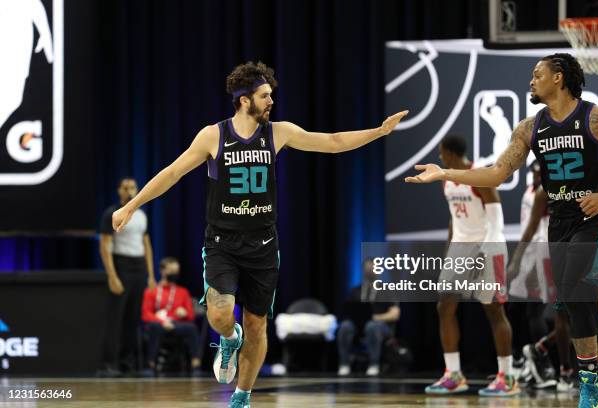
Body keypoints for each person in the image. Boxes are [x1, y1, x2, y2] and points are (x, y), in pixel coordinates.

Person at [111, 61, 407, 407]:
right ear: (243, 100)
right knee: (221, 316)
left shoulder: (278, 133)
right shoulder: (213, 136)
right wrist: (131, 206)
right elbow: (172, 172)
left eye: (271, 95)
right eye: (265, 95)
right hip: (222, 242)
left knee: (257, 326)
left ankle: (242, 395)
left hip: (264, 246)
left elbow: (333, 141)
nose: (271, 101)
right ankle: (227, 337)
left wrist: (379, 132)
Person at [406, 53, 598, 407]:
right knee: (573, 304)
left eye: (538, 75)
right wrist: (445, 174)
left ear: (559, 77)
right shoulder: (529, 128)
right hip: (559, 223)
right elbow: (497, 174)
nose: (531, 81)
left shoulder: (596, 119)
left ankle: (592, 379)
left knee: (576, 287)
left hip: (597, 221)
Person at [423, 134, 517, 397]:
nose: (440, 158)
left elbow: (496, 219)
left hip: (489, 245)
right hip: (461, 247)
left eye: (442, 153)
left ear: (449, 153)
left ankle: (507, 376)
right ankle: (453, 374)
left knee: (493, 310)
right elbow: (455, 221)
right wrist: (447, 253)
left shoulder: (480, 176)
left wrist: (484, 251)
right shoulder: (447, 182)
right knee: (444, 306)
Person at [507, 161, 573, 391]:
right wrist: (519, 261)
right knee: (557, 312)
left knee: (583, 315)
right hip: (546, 252)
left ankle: (539, 350)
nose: (537, 175)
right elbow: (532, 228)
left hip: (572, 248)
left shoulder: (576, 186)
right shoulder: (541, 192)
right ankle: (558, 369)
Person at [98, 177, 156, 377]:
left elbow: (147, 245)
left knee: (133, 318)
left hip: (139, 266)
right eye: (125, 187)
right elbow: (105, 245)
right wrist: (112, 276)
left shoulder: (141, 215)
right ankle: (109, 363)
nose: (129, 190)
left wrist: (150, 275)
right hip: (121, 266)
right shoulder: (112, 214)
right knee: (116, 318)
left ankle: (128, 363)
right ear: (119, 191)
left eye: (132, 187)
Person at [337, 259, 401, 377]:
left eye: (373, 267)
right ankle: (344, 364)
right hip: (358, 324)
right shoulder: (356, 291)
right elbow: (348, 310)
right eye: (368, 268)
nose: (370, 270)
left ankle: (374, 364)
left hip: (381, 326)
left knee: (372, 326)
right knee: (345, 326)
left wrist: (375, 317)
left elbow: (395, 314)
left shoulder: (387, 289)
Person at [141, 257, 201, 376]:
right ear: (162, 271)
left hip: (177, 324)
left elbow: (191, 315)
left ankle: (195, 363)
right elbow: (146, 314)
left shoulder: (182, 291)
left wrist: (184, 313)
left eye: (176, 271)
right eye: (171, 271)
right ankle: (150, 364)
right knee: (154, 327)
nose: (174, 274)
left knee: (191, 328)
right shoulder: (152, 291)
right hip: (159, 324)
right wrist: (162, 322)